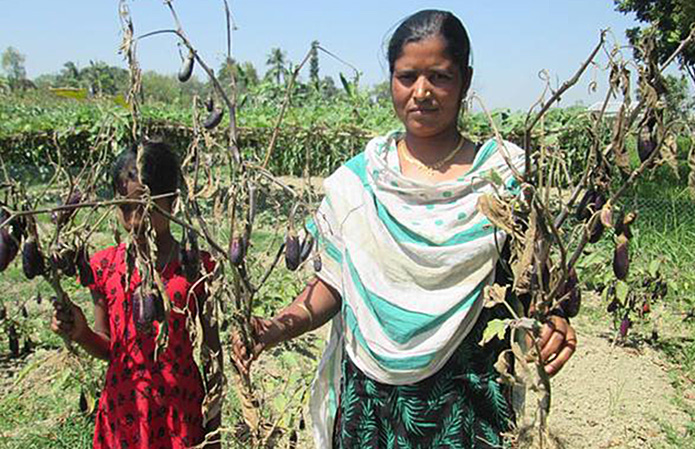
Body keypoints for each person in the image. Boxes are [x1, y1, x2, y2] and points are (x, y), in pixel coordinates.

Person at [232, 9, 577, 449]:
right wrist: (277, 327)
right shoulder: (358, 182)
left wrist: (554, 316)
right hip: (371, 403)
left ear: (465, 81)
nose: (422, 92)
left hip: (466, 398)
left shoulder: (502, 178)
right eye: (407, 76)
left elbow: (536, 279)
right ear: (392, 80)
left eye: (440, 76)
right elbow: (333, 284)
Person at [51, 142, 222, 449]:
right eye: (125, 208)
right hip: (125, 411)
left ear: (173, 202)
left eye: (145, 207)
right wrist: (81, 332)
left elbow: (212, 353)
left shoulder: (196, 266)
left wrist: (214, 427)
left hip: (181, 411)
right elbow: (109, 347)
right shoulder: (103, 266)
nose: (134, 220)